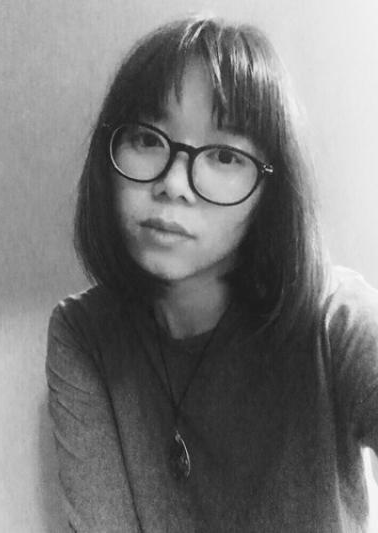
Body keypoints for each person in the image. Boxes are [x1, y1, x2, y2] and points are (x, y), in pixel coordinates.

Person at [46, 15, 378, 533]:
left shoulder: (337, 321)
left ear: (270, 190)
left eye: (224, 155)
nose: (174, 184)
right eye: (147, 139)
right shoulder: (85, 335)